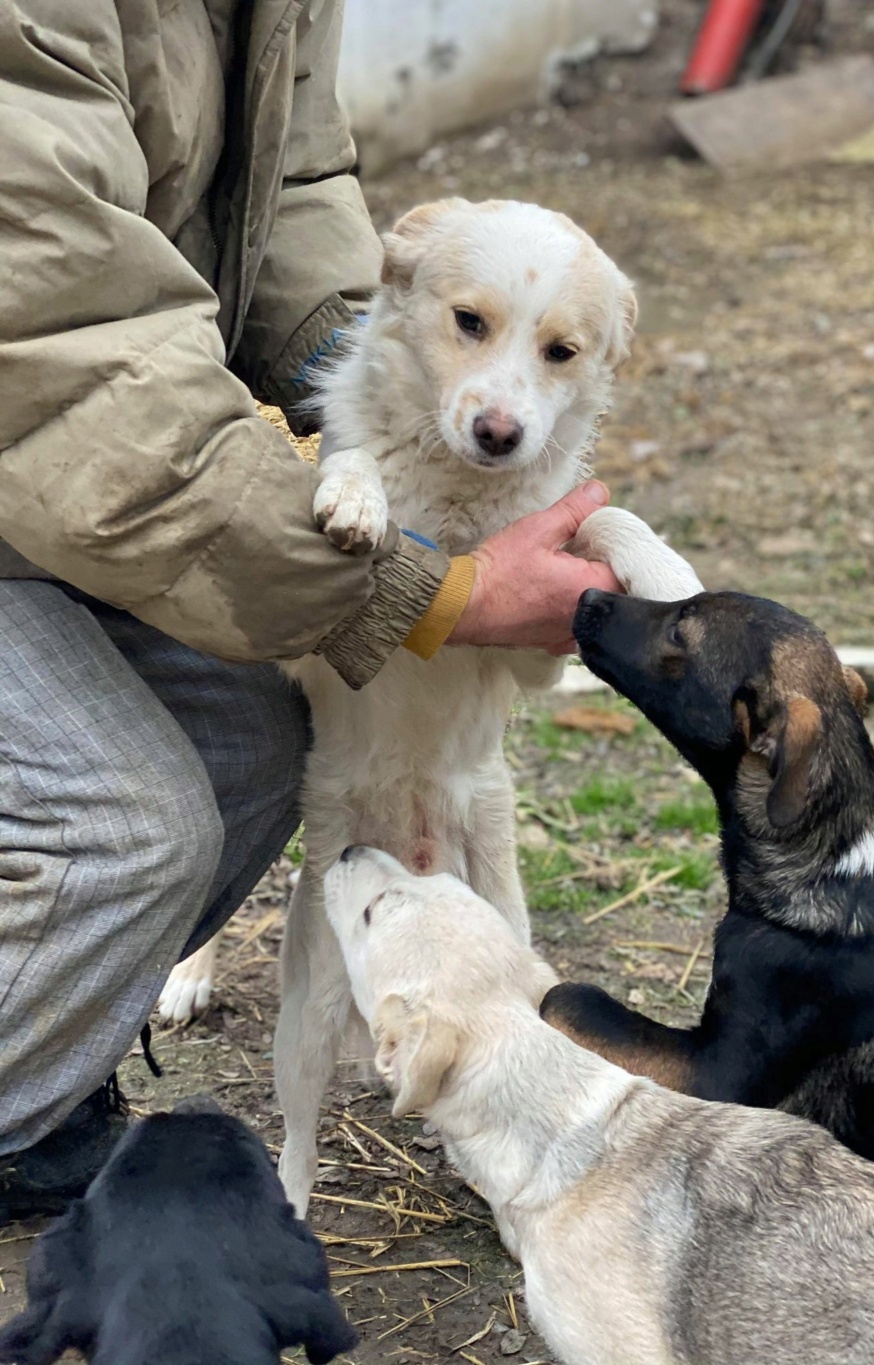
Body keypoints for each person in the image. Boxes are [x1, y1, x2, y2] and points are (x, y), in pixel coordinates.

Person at [0, 0, 620, 1221]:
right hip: (49, 414)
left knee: (246, 735)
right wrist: (435, 591)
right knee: (126, 824)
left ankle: (40, 1054)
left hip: (59, 465)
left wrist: (374, 356)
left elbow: (287, 183)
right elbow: (56, 335)